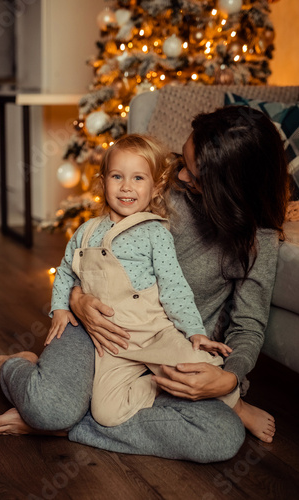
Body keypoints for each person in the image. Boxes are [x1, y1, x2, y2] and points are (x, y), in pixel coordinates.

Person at [0, 106, 288, 460]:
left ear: (227, 188)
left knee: (222, 436)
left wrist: (230, 379)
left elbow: (248, 326)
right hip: (100, 328)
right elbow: (93, 250)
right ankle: (11, 371)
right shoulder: (156, 181)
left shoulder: (258, 241)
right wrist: (76, 300)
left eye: (194, 174)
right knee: (49, 406)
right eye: (182, 160)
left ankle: (62, 424)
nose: (180, 175)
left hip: (166, 345)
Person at [44, 133, 238, 428]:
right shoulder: (85, 231)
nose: (126, 187)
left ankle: (216, 398)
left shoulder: (155, 232)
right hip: (111, 344)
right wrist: (60, 307)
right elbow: (65, 271)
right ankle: (160, 384)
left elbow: (174, 287)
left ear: (155, 186)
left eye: (138, 178)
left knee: (204, 367)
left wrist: (195, 331)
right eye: (117, 176)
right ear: (103, 181)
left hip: (153, 332)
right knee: (106, 414)